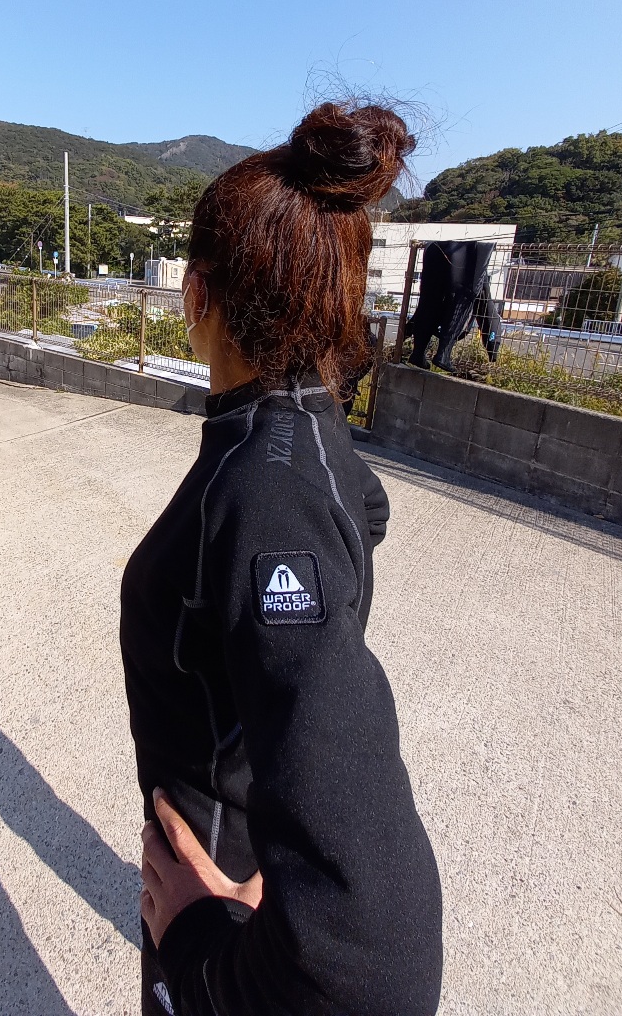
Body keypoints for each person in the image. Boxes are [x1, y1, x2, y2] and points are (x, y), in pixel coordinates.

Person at [120, 102, 443, 1016]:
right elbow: (366, 508)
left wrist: (200, 942)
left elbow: (374, 954)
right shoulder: (308, 424)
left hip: (212, 867)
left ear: (196, 293)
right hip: (238, 831)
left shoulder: (262, 491)